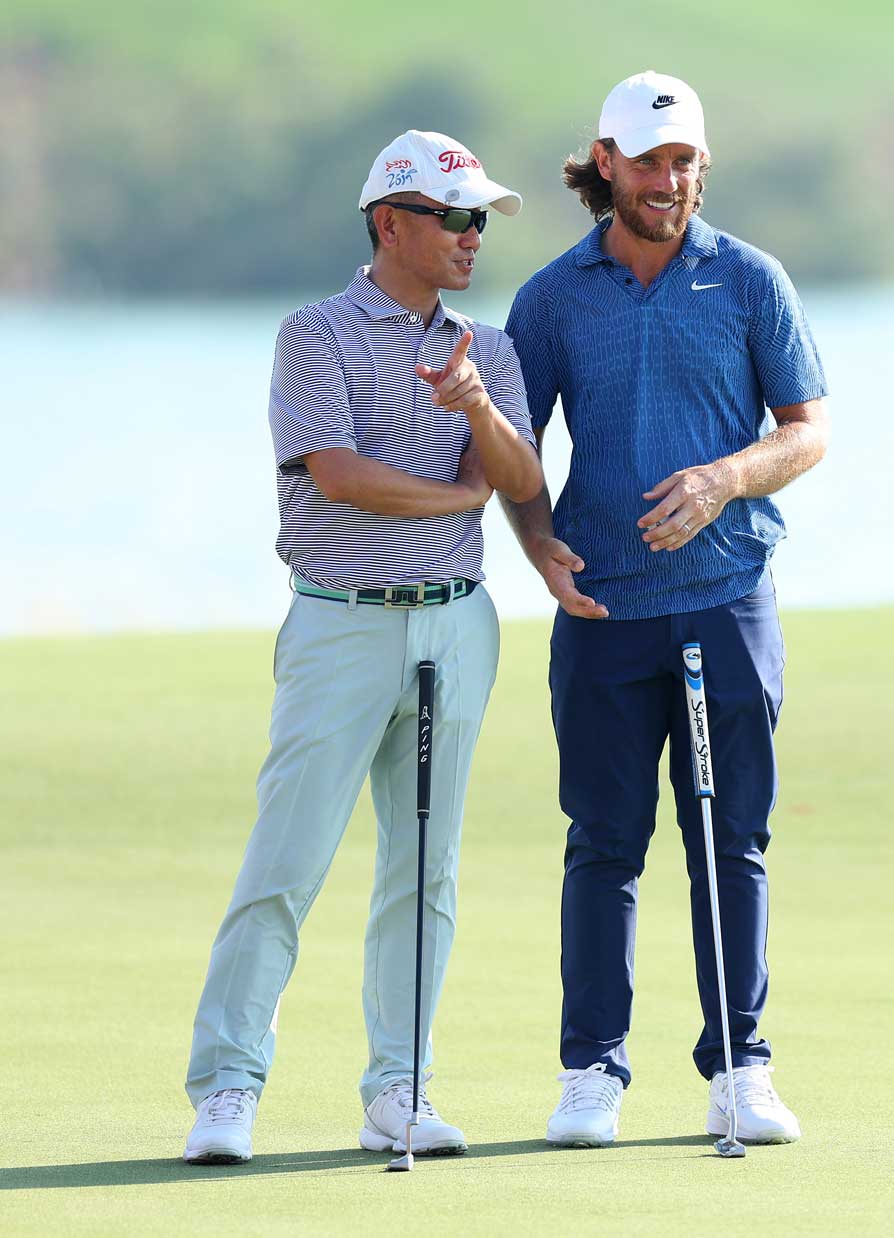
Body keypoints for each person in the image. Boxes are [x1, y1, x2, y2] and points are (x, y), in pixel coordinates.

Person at [182, 130, 542, 1165]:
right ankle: (226, 1084)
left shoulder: (491, 349)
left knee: (424, 869)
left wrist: (475, 409)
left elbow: (515, 478)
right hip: (340, 619)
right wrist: (452, 492)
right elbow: (336, 472)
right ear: (391, 222)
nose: (473, 236)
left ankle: (401, 1085)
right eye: (453, 216)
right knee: (286, 863)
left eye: (479, 218)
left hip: (455, 622)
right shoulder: (318, 334)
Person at [501, 72, 830, 1148]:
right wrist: (536, 544)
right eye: (648, 161)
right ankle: (591, 1068)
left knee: (728, 835)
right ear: (606, 163)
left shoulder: (746, 280)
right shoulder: (552, 299)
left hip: (725, 598)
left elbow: (805, 429)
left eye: (684, 159)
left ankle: (740, 1064)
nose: (669, 180)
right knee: (603, 841)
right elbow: (510, 450)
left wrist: (726, 477)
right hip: (601, 611)